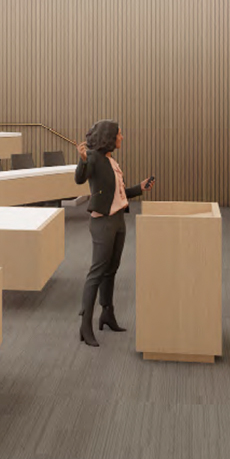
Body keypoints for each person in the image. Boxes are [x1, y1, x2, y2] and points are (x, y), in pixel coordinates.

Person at [74, 120, 154, 348]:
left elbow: (118, 193)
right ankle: (85, 324)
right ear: (109, 137)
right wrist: (81, 161)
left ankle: (107, 314)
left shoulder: (111, 160)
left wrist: (140, 188)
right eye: (120, 134)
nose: (122, 137)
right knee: (97, 272)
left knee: (111, 270)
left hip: (118, 219)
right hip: (103, 223)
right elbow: (80, 178)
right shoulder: (93, 157)